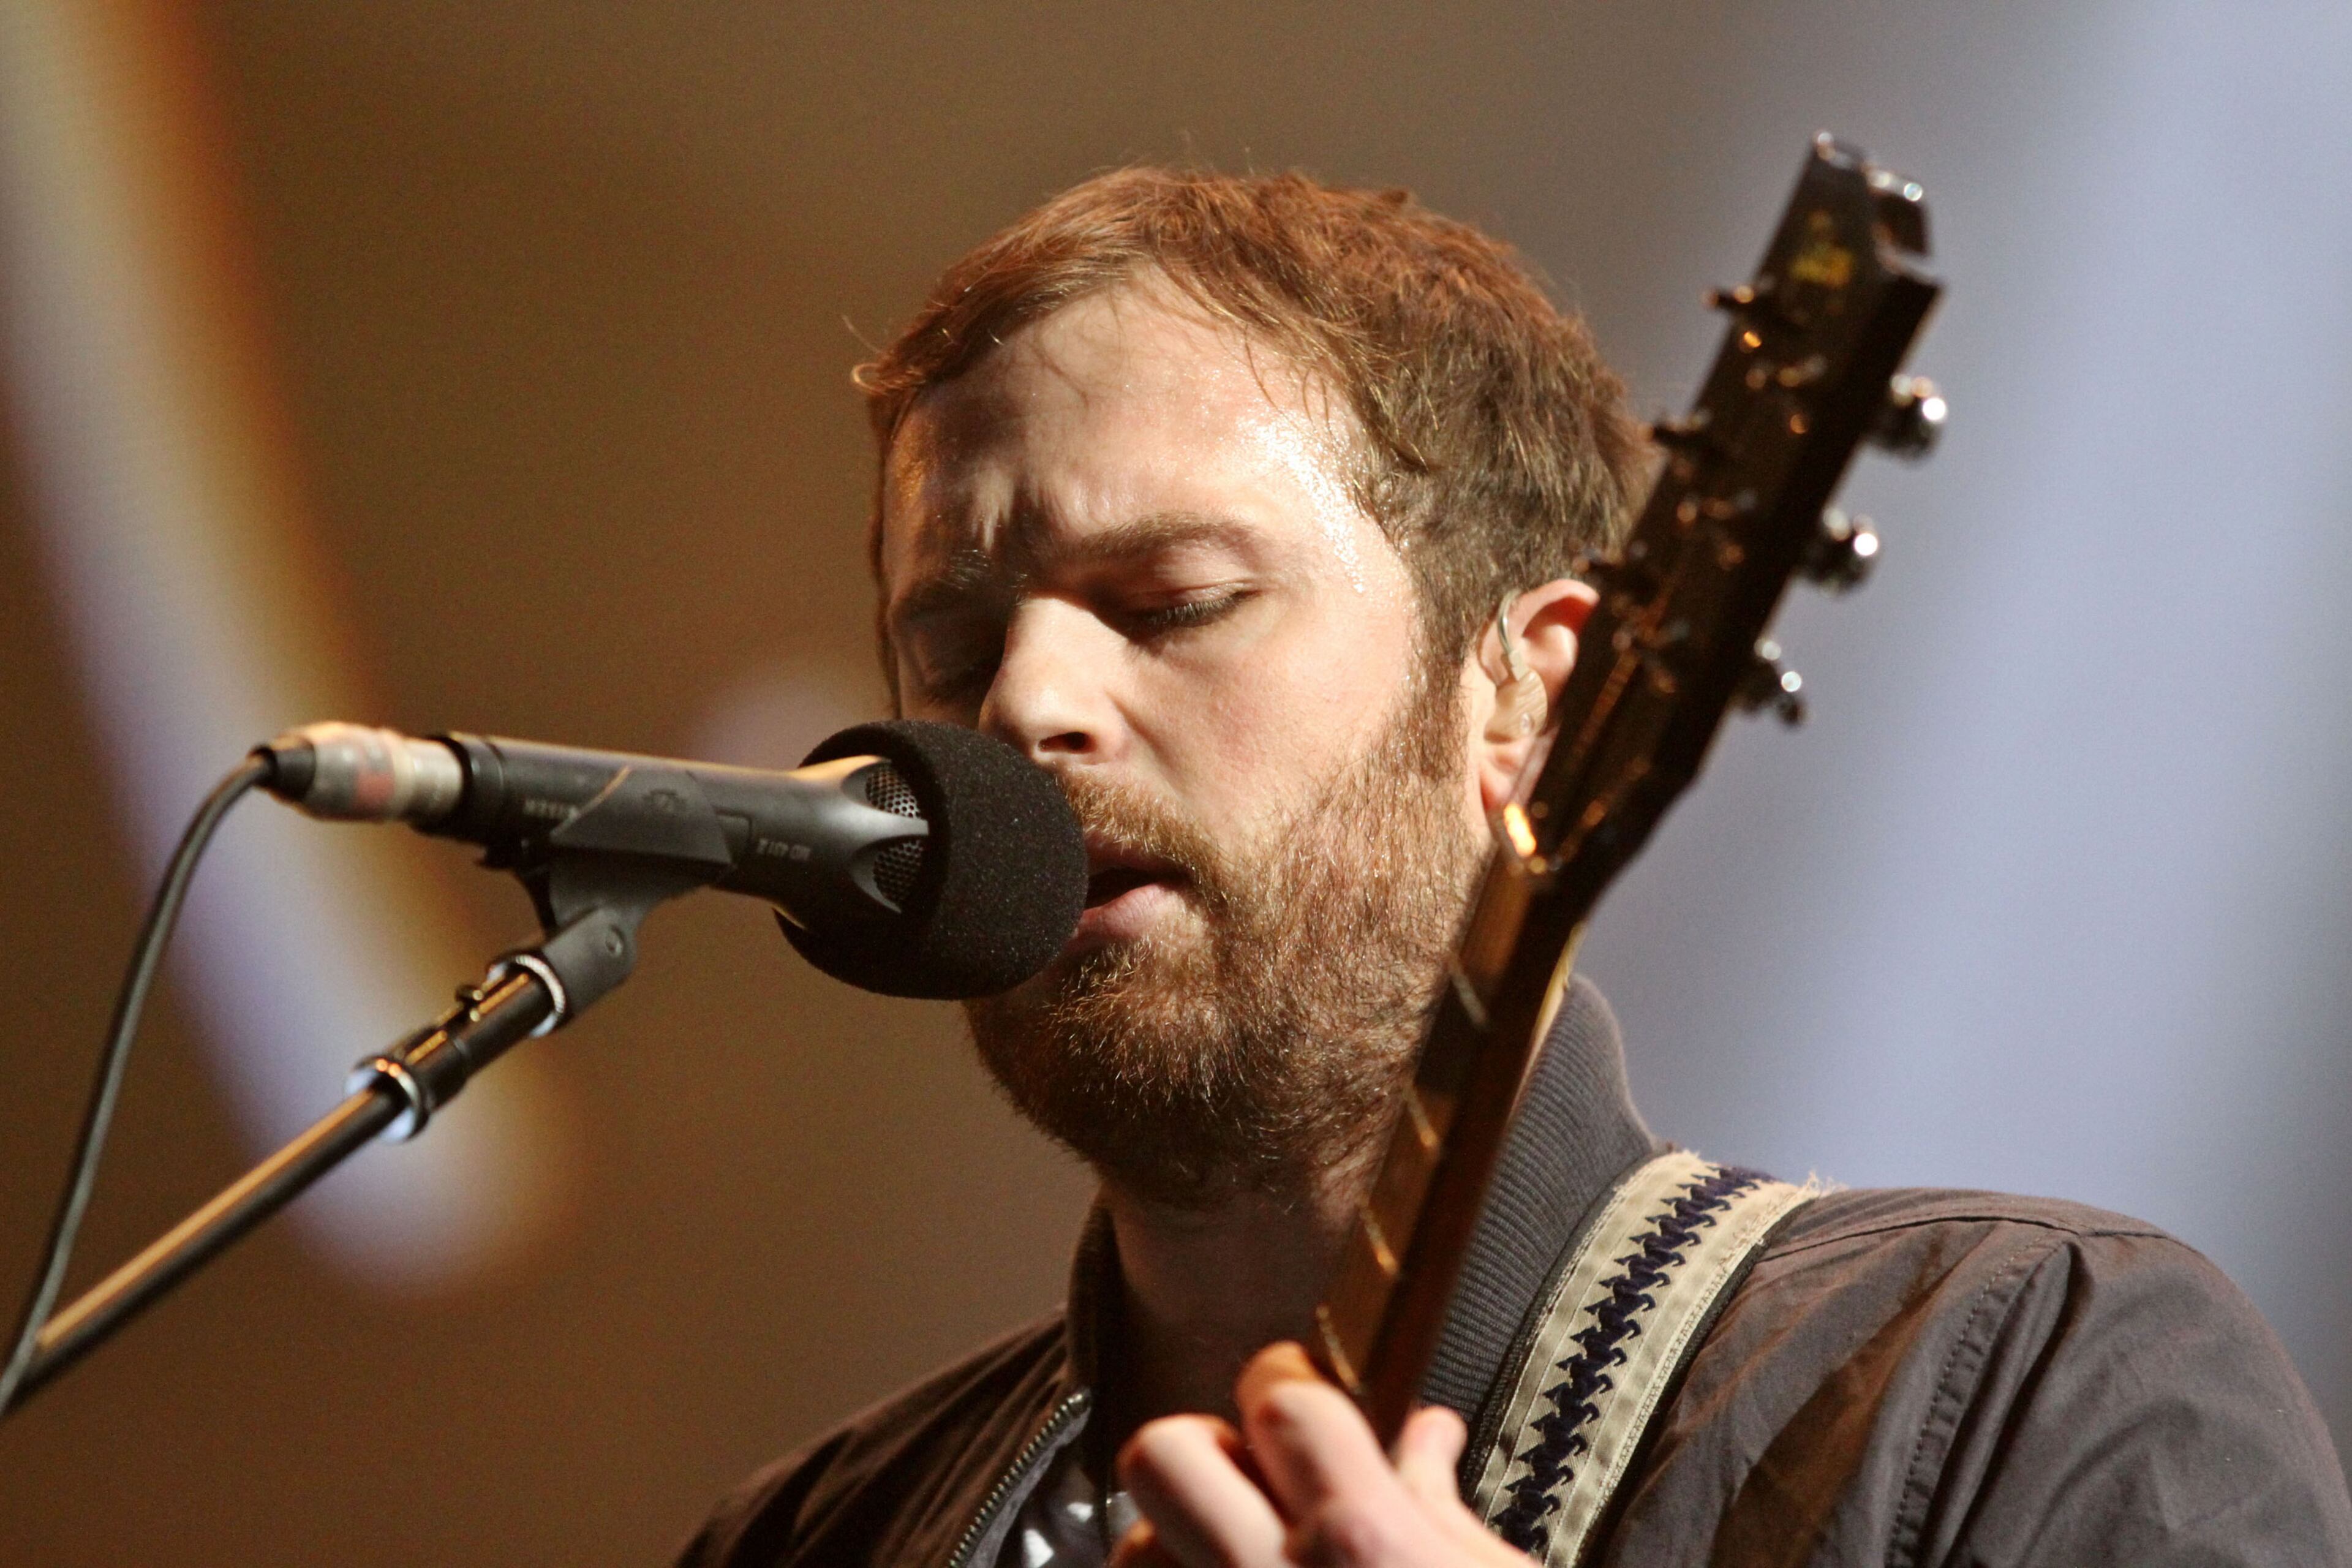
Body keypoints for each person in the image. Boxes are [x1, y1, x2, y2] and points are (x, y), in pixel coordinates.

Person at [677, 168, 2351, 1567]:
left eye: (1172, 603)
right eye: (954, 644)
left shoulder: (2025, 1368)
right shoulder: (823, 1535)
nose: (1023, 706)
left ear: (1526, 693)